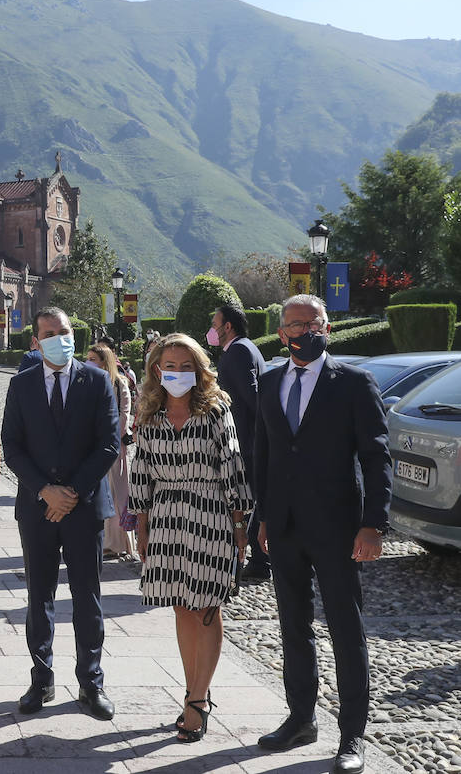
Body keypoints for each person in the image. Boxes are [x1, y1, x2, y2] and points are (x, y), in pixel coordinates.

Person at [253, 295, 390, 774]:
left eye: (309, 323)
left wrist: (374, 524)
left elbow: (376, 457)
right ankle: (300, 719)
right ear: (282, 331)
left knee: (345, 629)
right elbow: (264, 455)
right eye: (291, 325)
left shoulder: (353, 383)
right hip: (285, 527)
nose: (299, 332)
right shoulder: (269, 383)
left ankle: (352, 735)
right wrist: (264, 517)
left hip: (338, 529)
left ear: (326, 327)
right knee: (293, 626)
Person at [129, 333, 252, 742]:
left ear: (199, 370)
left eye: (186, 366)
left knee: (206, 606)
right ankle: (193, 690)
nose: (177, 373)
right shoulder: (148, 413)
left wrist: (239, 528)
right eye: (170, 366)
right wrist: (142, 527)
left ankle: (197, 701)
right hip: (165, 517)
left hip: (210, 516)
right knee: (181, 606)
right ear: (156, 370)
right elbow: (141, 471)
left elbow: (233, 467)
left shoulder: (216, 411)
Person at [0, 306, 120, 719]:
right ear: (36, 341)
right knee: (39, 596)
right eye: (49, 332)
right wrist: (45, 491)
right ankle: (42, 678)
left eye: (64, 330)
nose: (58, 338)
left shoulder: (98, 381)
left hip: (84, 507)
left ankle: (91, 682)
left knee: (87, 597)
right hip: (37, 508)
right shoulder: (22, 384)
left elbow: (109, 443)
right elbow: (11, 445)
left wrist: (70, 492)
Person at [209, 304, 270, 582]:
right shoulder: (246, 347)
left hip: (245, 441)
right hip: (248, 439)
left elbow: (252, 397)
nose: (213, 330)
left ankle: (258, 559)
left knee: (249, 502)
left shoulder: (239, 351)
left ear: (228, 326)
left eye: (215, 324)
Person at [86, 344, 134, 558]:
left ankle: (117, 542)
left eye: (92, 358)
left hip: (114, 447)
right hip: (92, 448)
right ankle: (101, 539)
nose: (88, 362)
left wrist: (107, 436)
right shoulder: (87, 382)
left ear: (104, 362)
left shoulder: (120, 384)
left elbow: (124, 414)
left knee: (117, 495)